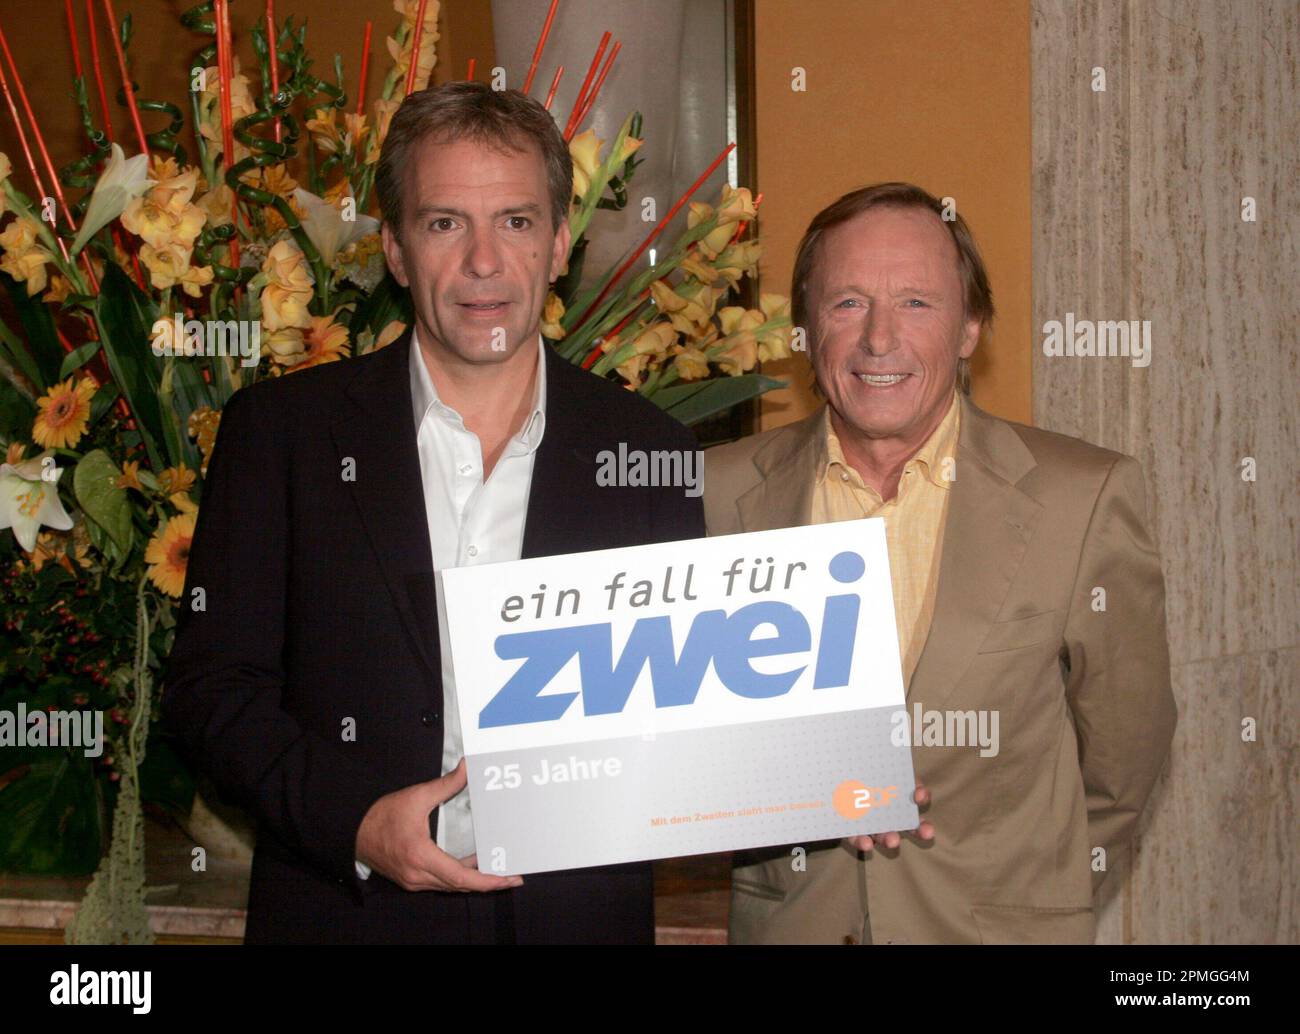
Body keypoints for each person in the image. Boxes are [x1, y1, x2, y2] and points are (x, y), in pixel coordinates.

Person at [164, 82, 703, 944]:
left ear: (561, 244)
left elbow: (690, 720)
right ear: (397, 250)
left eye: (518, 223)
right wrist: (355, 824)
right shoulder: (283, 437)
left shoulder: (651, 453)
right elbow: (208, 690)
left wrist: (826, 785)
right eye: (445, 223)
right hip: (348, 920)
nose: (484, 262)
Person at [704, 182, 1176, 944]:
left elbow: (1125, 754)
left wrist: (1028, 894)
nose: (879, 341)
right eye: (848, 303)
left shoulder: (1081, 498)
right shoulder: (718, 494)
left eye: (917, 303)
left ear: (970, 328)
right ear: (806, 328)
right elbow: (685, 745)